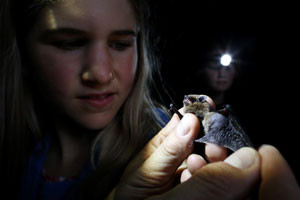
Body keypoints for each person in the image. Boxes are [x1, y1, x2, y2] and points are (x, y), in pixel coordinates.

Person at [0, 0, 299, 200]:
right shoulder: (18, 150)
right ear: (23, 55)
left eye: (120, 44)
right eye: (69, 44)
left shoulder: (158, 130)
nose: (102, 73)